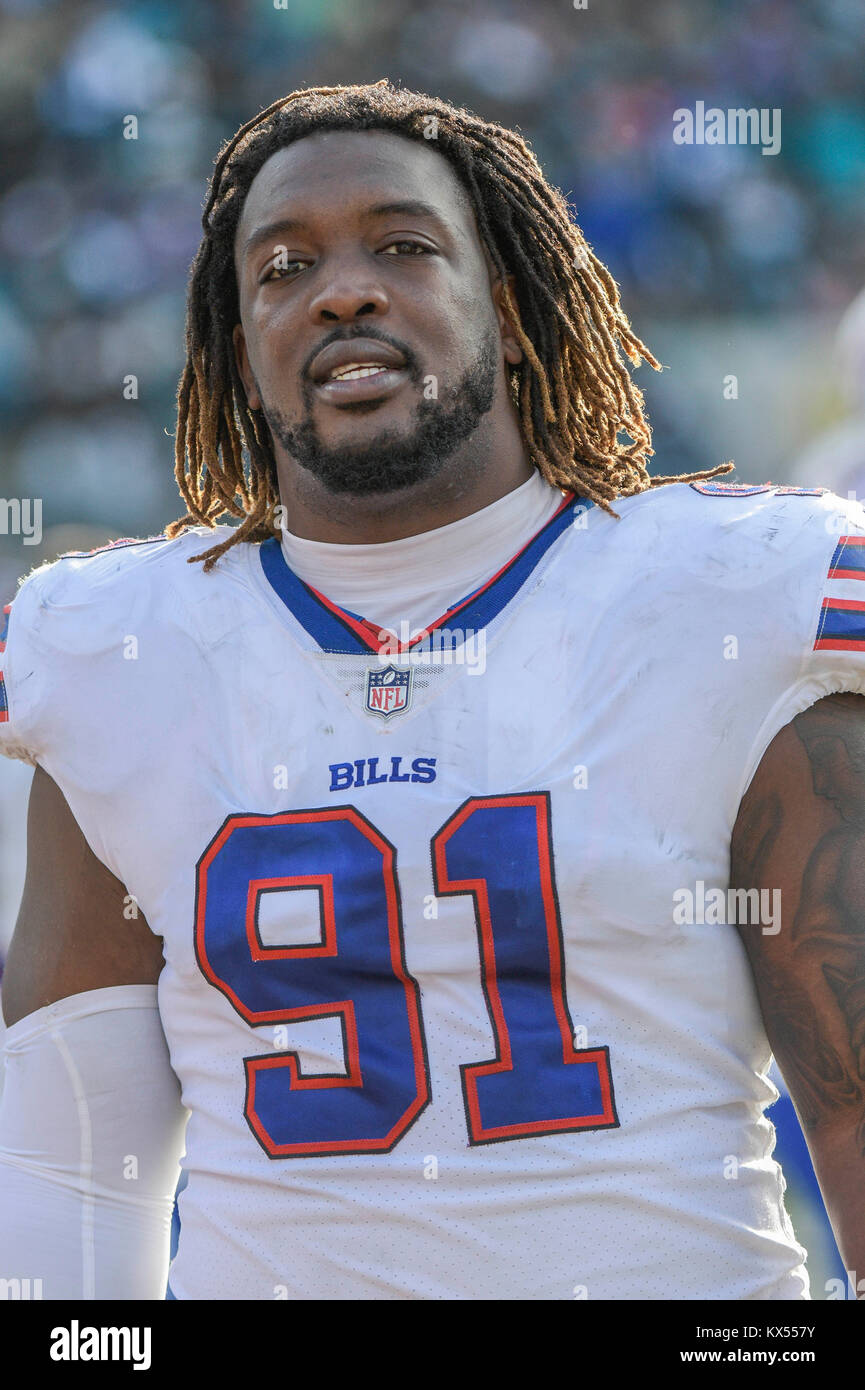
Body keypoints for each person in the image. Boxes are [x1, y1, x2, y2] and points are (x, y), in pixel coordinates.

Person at [0, 81, 862, 1301]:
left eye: (403, 246)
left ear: (509, 311)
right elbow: (70, 1183)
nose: (342, 289)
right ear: (241, 351)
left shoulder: (731, 598)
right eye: (283, 267)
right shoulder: (114, 655)